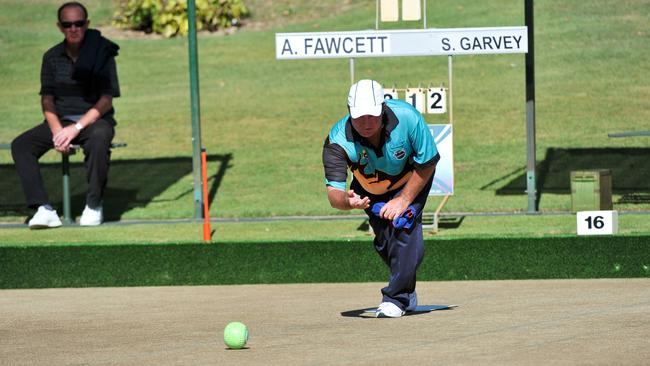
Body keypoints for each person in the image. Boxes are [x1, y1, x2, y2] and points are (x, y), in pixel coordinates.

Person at [322, 79, 440, 318]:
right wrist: (347, 201)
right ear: (349, 113)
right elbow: (334, 195)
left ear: (383, 109)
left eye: (372, 116)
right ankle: (406, 288)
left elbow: (428, 162)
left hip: (412, 181)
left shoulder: (408, 118)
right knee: (386, 243)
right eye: (358, 117)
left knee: (403, 226)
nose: (366, 123)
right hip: (368, 190)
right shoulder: (337, 141)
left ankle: (395, 298)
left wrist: (404, 200)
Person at [11, 2, 120, 228]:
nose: (74, 29)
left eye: (79, 23)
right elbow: (47, 100)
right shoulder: (51, 57)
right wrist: (58, 132)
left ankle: (93, 204)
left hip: (95, 120)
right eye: (68, 24)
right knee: (21, 145)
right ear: (60, 27)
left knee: (99, 139)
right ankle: (43, 209)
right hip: (60, 121)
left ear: (87, 24)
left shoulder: (103, 53)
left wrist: (76, 128)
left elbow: (106, 100)